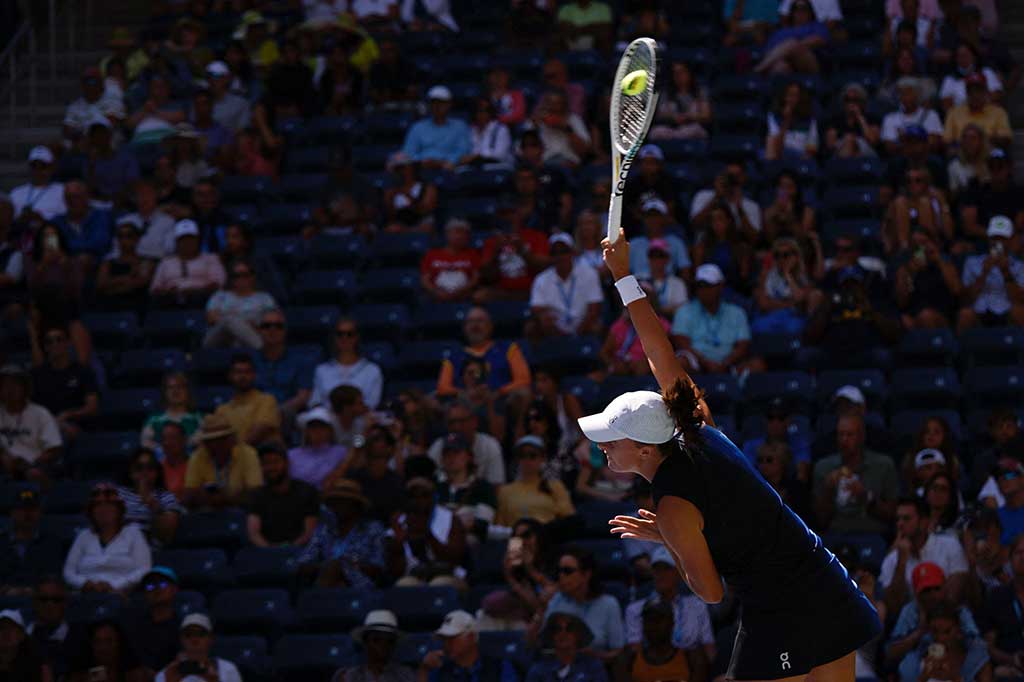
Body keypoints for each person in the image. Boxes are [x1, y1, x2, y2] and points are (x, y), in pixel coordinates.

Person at [589, 228, 882, 681]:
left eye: (612, 437)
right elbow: (659, 352)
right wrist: (624, 276)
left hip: (783, 609)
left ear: (645, 449)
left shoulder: (671, 506)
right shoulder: (697, 426)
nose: (603, 446)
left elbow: (708, 592)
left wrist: (668, 539)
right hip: (827, 583)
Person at [624, 546, 715, 672]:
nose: (661, 575)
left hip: (689, 670)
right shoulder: (635, 610)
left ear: (679, 572)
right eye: (657, 570)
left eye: (666, 569)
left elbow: (709, 649)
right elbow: (635, 651)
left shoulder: (698, 606)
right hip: (650, 668)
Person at [879, 497, 969, 615]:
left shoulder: (950, 545)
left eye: (906, 519)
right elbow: (893, 607)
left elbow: (954, 596)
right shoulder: (892, 559)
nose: (900, 524)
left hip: (949, 619)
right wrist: (901, 562)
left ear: (924, 522)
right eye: (898, 519)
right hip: (910, 623)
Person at [536, 546, 624, 661]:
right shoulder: (556, 600)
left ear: (586, 574)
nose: (561, 576)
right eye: (559, 571)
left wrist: (591, 655)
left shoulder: (609, 604)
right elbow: (535, 645)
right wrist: (541, 608)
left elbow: (618, 653)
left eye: (567, 571)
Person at [885, 562, 981, 666]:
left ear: (944, 588)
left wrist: (952, 635)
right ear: (917, 594)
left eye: (936, 588)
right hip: (921, 661)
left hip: (957, 660)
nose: (932, 595)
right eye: (926, 590)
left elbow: (977, 645)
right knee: (908, 664)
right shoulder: (910, 610)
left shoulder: (958, 609)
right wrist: (919, 632)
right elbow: (892, 652)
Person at [298, 478, 387, 590]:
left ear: (356, 505)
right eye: (334, 502)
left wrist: (344, 567)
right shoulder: (325, 529)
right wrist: (327, 567)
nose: (337, 506)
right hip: (325, 580)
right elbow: (304, 563)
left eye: (344, 502)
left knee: (335, 568)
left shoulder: (372, 528)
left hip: (361, 587)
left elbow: (378, 567)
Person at [64, 484, 152, 594]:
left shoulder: (134, 533)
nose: (104, 509)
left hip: (121, 594)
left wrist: (114, 585)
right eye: (98, 505)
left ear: (119, 509)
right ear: (91, 511)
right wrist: (86, 583)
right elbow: (68, 572)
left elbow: (144, 570)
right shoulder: (83, 536)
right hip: (86, 594)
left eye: (110, 505)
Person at [671, 264, 759, 374]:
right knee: (680, 362)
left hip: (729, 363)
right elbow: (681, 342)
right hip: (697, 364)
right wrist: (705, 362)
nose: (703, 290)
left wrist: (726, 363)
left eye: (708, 285)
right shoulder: (684, 311)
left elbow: (743, 344)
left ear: (721, 286)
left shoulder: (736, 312)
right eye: (700, 286)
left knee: (756, 365)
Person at [436, 307, 531, 400]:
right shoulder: (454, 357)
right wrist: (466, 394)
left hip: (501, 402)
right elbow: (442, 387)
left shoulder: (509, 349)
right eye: (470, 321)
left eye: (480, 321)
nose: (475, 325)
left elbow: (523, 380)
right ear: (464, 328)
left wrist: (498, 393)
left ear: (490, 326)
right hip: (465, 404)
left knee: (523, 393)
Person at [29, 322, 99, 442]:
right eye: (49, 341)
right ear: (45, 347)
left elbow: (92, 407)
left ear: (68, 343)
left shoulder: (82, 372)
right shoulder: (37, 375)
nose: (54, 344)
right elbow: (30, 408)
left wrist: (67, 415)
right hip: (44, 426)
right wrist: (55, 423)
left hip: (76, 427)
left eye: (59, 339)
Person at [897, 600, 992, 682]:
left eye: (947, 632)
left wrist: (955, 678)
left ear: (958, 629)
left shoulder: (977, 656)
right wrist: (923, 677)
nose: (940, 638)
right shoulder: (918, 659)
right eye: (935, 631)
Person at [529, 233, 603, 338]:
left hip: (584, 324)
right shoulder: (542, 279)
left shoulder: (589, 273)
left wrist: (579, 331)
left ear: (572, 253)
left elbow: (594, 307)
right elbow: (536, 308)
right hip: (554, 328)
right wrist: (547, 320)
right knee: (533, 327)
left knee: (597, 326)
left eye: (564, 252)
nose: (560, 257)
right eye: (555, 253)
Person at [182, 414, 263, 509]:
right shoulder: (197, 456)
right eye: (210, 440)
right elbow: (189, 495)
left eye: (220, 439)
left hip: (241, 512)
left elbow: (256, 492)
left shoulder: (248, 453)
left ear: (231, 439)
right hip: (208, 512)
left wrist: (226, 498)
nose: (215, 444)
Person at [247, 442, 319, 547]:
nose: (270, 467)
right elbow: (254, 534)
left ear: (286, 463)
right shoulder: (256, 495)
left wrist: (288, 549)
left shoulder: (307, 491)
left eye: (275, 462)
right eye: (265, 463)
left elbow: (309, 533)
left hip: (300, 552)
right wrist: (272, 551)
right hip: (267, 552)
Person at [958, 215, 1024, 330]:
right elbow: (966, 299)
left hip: (1007, 310)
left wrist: (1006, 272)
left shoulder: (1019, 266)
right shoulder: (972, 262)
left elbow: (1019, 299)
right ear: (988, 238)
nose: (998, 242)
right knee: (965, 314)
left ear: (1010, 240)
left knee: (1019, 312)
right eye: (994, 238)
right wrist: (984, 273)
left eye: (1002, 238)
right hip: (980, 311)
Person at [0, 364, 62, 484]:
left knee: (35, 475)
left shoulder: (40, 413)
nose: (9, 389)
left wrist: (30, 463)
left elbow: (54, 449)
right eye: (4, 385)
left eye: (15, 384)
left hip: (34, 467)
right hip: (3, 468)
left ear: (25, 388)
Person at [418, 610, 520, 682]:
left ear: (471, 637)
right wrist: (424, 671)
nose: (447, 644)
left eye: (452, 638)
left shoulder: (499, 667)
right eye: (444, 639)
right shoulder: (439, 670)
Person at [495, 436, 574, 527]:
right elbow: (500, 526)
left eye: (532, 455)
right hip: (515, 539)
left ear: (542, 458)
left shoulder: (555, 487)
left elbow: (569, 519)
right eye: (522, 455)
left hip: (546, 538)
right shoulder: (505, 491)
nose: (527, 460)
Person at [752, 237, 822, 337]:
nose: (781, 259)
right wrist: (790, 304)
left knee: (795, 327)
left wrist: (787, 274)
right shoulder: (768, 275)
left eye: (785, 255)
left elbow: (799, 299)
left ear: (795, 257)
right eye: (777, 255)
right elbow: (764, 304)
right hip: (773, 316)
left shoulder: (803, 276)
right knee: (758, 326)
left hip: (794, 318)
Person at [893, 229, 962, 329]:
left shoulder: (946, 266)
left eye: (924, 243)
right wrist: (910, 274)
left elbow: (956, 291)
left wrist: (938, 260)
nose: (922, 248)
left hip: (942, 313)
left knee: (927, 316)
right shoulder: (905, 270)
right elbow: (901, 302)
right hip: (916, 315)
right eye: (916, 246)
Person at [435, 434, 497, 543]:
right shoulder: (434, 486)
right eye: (447, 454)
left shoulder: (483, 488)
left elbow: (481, 525)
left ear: (469, 456)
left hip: (471, 552)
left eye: (456, 453)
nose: (451, 458)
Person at [149, 220, 226, 306]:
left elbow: (218, 285)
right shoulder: (165, 262)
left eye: (191, 239)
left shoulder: (211, 259)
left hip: (203, 302)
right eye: (183, 239)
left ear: (198, 240)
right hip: (170, 303)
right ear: (177, 242)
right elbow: (155, 289)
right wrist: (169, 292)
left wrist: (194, 291)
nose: (187, 242)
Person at [311, 318, 384, 410]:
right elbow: (315, 402)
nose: (344, 338)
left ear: (357, 337)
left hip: (361, 419)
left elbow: (372, 404)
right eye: (340, 334)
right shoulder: (321, 370)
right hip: (328, 419)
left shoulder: (372, 370)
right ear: (334, 337)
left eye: (350, 334)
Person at [202, 259, 277, 349]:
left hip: (253, 333)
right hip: (220, 338)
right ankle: (264, 350)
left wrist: (247, 327)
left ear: (252, 276)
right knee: (230, 320)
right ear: (231, 278)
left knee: (237, 329)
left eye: (245, 275)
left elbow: (272, 320)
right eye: (237, 276)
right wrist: (242, 323)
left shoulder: (265, 297)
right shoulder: (220, 295)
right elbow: (211, 318)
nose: (241, 279)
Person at [427, 402, 506, 486]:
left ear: (474, 421)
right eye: (452, 422)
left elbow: (497, 485)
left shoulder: (490, 446)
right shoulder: (438, 447)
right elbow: (428, 483)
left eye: (462, 421)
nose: (457, 427)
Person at [120, 566, 182, 674]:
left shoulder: (183, 627)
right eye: (150, 586)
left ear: (174, 589)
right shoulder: (135, 627)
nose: (156, 589)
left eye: (162, 584)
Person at [0, 489, 64, 592]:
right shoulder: (2, 542)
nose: (27, 514)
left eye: (32, 509)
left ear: (40, 513)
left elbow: (54, 576)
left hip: (41, 600)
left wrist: (33, 590)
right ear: (12, 513)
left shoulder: (51, 543)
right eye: (22, 509)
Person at [117, 448, 184, 546]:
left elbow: (167, 535)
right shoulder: (119, 494)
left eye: (150, 467)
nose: (144, 472)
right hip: (120, 548)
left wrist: (151, 503)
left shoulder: (166, 497)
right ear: (131, 472)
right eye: (139, 467)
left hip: (149, 552)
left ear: (157, 472)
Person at [213, 353, 281, 445]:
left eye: (247, 372)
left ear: (254, 375)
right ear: (230, 376)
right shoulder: (222, 410)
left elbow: (259, 432)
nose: (243, 376)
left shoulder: (267, 400)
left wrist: (238, 453)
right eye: (238, 372)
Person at [155, 613, 241, 682]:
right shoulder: (166, 674)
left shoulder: (228, 670)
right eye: (188, 635)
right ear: (181, 639)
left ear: (211, 639)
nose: (194, 639)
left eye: (200, 634)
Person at [401, 86, 471, 170]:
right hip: (422, 170)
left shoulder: (460, 126)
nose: (437, 106)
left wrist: (448, 161)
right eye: (433, 102)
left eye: (441, 102)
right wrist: (422, 161)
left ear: (449, 104)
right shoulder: (418, 127)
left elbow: (464, 150)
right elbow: (409, 153)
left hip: (451, 170)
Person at [983, 534, 1024, 673]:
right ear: (1010, 560)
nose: (1023, 557)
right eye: (1019, 553)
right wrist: (1011, 660)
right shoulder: (996, 596)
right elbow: (989, 646)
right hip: (1010, 668)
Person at [526, 612, 606, 681]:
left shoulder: (592, 667)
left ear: (578, 635)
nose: (563, 633)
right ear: (551, 636)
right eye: (557, 629)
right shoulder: (539, 670)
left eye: (569, 628)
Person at [336, 610, 413, 682]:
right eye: (376, 640)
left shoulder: (406, 676)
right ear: (365, 642)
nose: (383, 645)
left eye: (390, 641)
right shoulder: (348, 677)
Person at [943, 72, 1012, 150]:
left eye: (979, 90)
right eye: (971, 91)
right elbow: (947, 141)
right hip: (962, 155)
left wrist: (979, 141)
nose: (975, 94)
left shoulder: (998, 112)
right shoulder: (953, 113)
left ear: (986, 92)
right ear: (966, 93)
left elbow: (1006, 138)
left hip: (989, 155)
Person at [420, 218, 481, 302]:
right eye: (457, 232)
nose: (460, 236)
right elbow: (425, 280)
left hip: (464, 295)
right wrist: (436, 292)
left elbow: (475, 279)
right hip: (436, 295)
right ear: (447, 234)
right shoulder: (432, 254)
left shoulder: (472, 254)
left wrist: (459, 292)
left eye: (464, 233)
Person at [649, 62, 711, 141]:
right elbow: (660, 115)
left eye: (681, 72)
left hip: (691, 127)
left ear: (689, 73)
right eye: (675, 73)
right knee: (655, 132)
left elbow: (706, 116)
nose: (678, 76)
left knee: (697, 130)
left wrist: (688, 117)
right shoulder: (666, 93)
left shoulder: (700, 92)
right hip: (671, 129)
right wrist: (673, 118)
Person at [289, 406, 348, 490]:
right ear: (306, 431)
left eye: (322, 427)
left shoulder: (340, 452)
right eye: (313, 427)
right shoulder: (292, 454)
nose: (317, 431)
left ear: (330, 430)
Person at [881, 78, 944, 155]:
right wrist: (916, 143)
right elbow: (889, 147)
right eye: (902, 94)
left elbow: (934, 143)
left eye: (909, 93)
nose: (906, 97)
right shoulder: (890, 118)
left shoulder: (931, 115)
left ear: (918, 95)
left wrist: (904, 140)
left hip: (926, 157)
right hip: (901, 158)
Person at [140, 372, 202, 451]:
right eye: (171, 387)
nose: (175, 391)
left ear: (188, 391)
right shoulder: (153, 420)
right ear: (164, 392)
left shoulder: (199, 418)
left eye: (180, 387)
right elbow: (146, 445)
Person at [26, 577, 73, 679]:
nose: (50, 604)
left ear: (65, 604)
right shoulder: (21, 639)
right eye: (44, 599)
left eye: (56, 600)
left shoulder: (80, 639)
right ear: (35, 603)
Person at [765, 82, 819, 160]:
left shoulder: (810, 119)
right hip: (780, 154)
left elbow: (812, 148)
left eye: (795, 95)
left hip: (800, 156)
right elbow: (776, 147)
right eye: (789, 95)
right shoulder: (773, 116)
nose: (792, 99)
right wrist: (786, 120)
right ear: (784, 97)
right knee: (770, 140)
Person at [10, 146, 65, 223]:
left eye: (43, 166)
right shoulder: (15, 193)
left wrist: (42, 221)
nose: (38, 171)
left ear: (52, 167)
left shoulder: (63, 191)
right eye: (34, 166)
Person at [0, 609, 50, 682]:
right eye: (1, 628)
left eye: (12, 628)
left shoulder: (36, 666)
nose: (6, 632)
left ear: (22, 635)